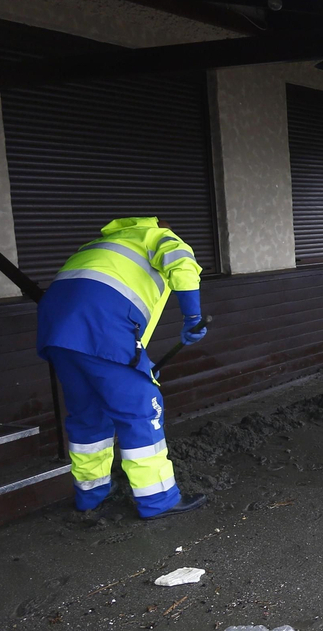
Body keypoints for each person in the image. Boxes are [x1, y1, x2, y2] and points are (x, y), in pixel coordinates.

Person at [37, 217, 209, 518]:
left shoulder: (98, 245)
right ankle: (158, 500)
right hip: (102, 327)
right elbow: (182, 267)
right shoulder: (158, 236)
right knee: (142, 408)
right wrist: (192, 318)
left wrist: (140, 366)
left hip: (57, 333)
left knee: (88, 414)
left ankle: (90, 495)